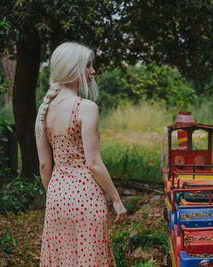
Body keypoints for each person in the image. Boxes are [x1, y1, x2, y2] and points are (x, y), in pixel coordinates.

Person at [35, 42, 126, 266]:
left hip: (56, 197)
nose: (93, 71)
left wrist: (55, 194)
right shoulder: (86, 107)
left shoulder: (44, 109)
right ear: (72, 69)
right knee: (90, 259)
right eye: (88, 65)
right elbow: (94, 163)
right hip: (86, 198)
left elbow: (45, 166)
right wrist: (116, 199)